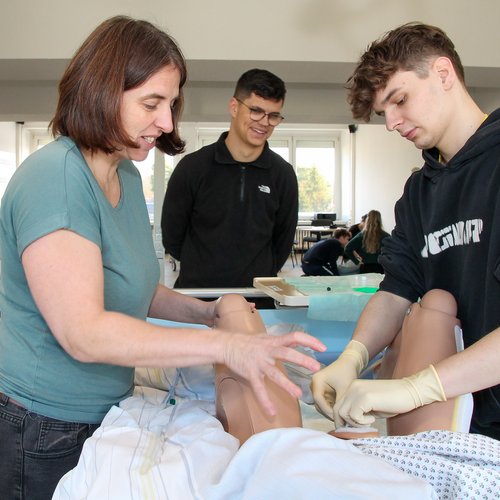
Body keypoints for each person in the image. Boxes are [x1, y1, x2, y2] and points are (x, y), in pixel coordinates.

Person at [0, 17, 325, 499]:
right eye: (151, 104)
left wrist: (208, 314)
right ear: (101, 92)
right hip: (42, 424)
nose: (167, 122)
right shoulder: (57, 180)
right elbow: (84, 333)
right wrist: (225, 348)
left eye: (171, 104)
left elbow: (135, 287)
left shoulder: (126, 175)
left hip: (102, 413)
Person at [311, 22, 500, 440]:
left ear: (443, 73)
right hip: (467, 416)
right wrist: (353, 357)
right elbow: (396, 292)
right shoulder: (419, 192)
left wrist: (417, 387)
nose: (393, 123)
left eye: (400, 100)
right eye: (385, 113)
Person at [161, 68, 299, 307]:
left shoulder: (282, 175)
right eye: (256, 111)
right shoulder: (193, 168)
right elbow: (172, 236)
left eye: (273, 115)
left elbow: (282, 242)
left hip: (257, 302)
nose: (264, 123)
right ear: (234, 107)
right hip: (196, 301)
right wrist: (203, 270)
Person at [344, 210, 389, 274]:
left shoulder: (361, 235)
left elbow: (347, 249)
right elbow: (392, 251)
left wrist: (356, 261)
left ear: (367, 220)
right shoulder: (386, 236)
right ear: (380, 220)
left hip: (365, 267)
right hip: (380, 267)